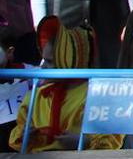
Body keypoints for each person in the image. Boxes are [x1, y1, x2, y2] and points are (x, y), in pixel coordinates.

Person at [8, 17, 122, 151]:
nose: (43, 67)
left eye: (50, 61)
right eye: (44, 60)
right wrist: (26, 135)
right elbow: (17, 140)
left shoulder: (97, 97)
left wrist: (82, 142)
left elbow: (111, 141)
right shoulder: (35, 97)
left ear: (69, 61)